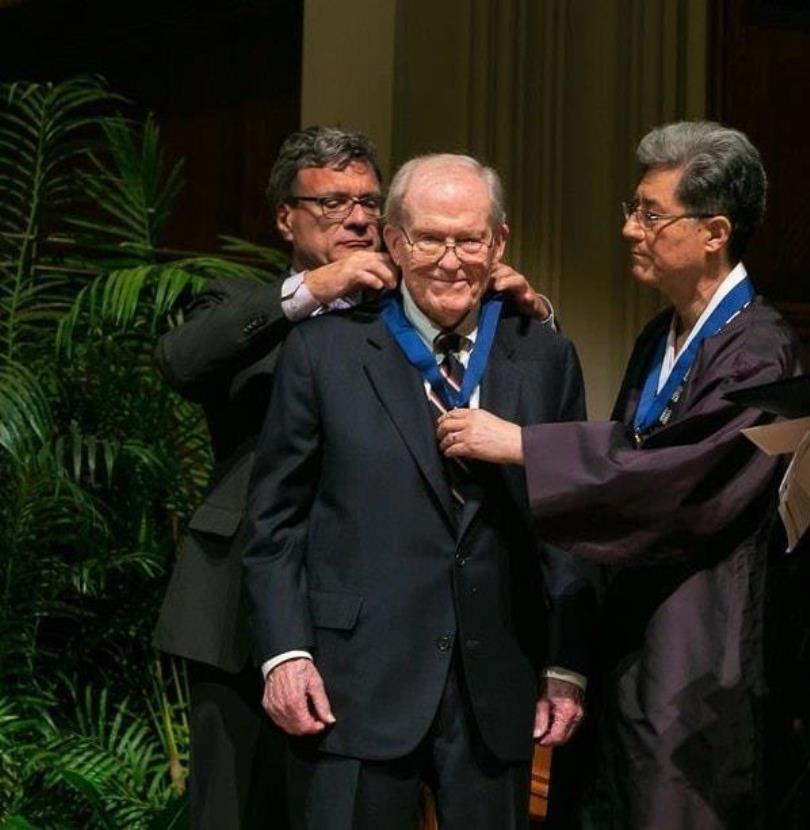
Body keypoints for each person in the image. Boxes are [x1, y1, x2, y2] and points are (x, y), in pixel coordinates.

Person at [152, 128, 552, 828]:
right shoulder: (247, 305)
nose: (357, 217)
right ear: (286, 217)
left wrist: (521, 314)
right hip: (247, 616)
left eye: (369, 200)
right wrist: (310, 292)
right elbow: (183, 361)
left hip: (380, 625)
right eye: (333, 202)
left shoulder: (408, 304)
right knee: (232, 813)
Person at [438, 121, 800, 829]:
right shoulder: (660, 334)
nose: (632, 229)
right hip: (631, 640)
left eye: (651, 213)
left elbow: (678, 480)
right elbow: (627, 453)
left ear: (714, 232)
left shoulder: (760, 351)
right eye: (632, 210)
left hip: (702, 651)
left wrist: (526, 446)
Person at [240, 153, 594, 829]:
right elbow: (275, 521)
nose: (451, 260)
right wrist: (285, 654)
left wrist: (566, 662)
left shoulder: (544, 355)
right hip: (354, 681)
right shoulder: (326, 351)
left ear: (499, 242)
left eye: (470, 239)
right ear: (395, 242)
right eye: (430, 239)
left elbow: (569, 518)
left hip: (497, 680)